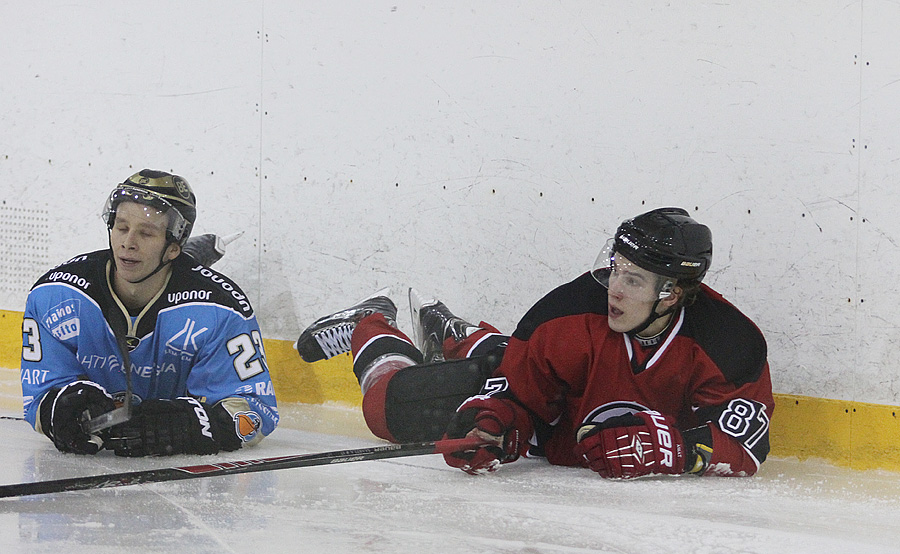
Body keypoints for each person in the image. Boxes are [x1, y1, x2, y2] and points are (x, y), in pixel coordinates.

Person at [296, 207, 773, 479]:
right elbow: (517, 396)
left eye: (634, 279)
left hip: (557, 392)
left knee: (502, 359)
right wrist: (497, 422)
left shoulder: (729, 343)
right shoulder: (564, 315)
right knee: (389, 409)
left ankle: (460, 335)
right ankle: (371, 322)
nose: (614, 288)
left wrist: (678, 450)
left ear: (672, 293)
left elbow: (746, 446)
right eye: (616, 268)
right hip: (549, 420)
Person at [21, 169, 278, 456]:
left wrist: (194, 426)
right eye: (121, 227)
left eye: (146, 233)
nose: (128, 243)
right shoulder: (55, 296)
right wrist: (57, 410)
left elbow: (256, 412)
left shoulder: (220, 308)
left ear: (173, 248)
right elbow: (39, 396)